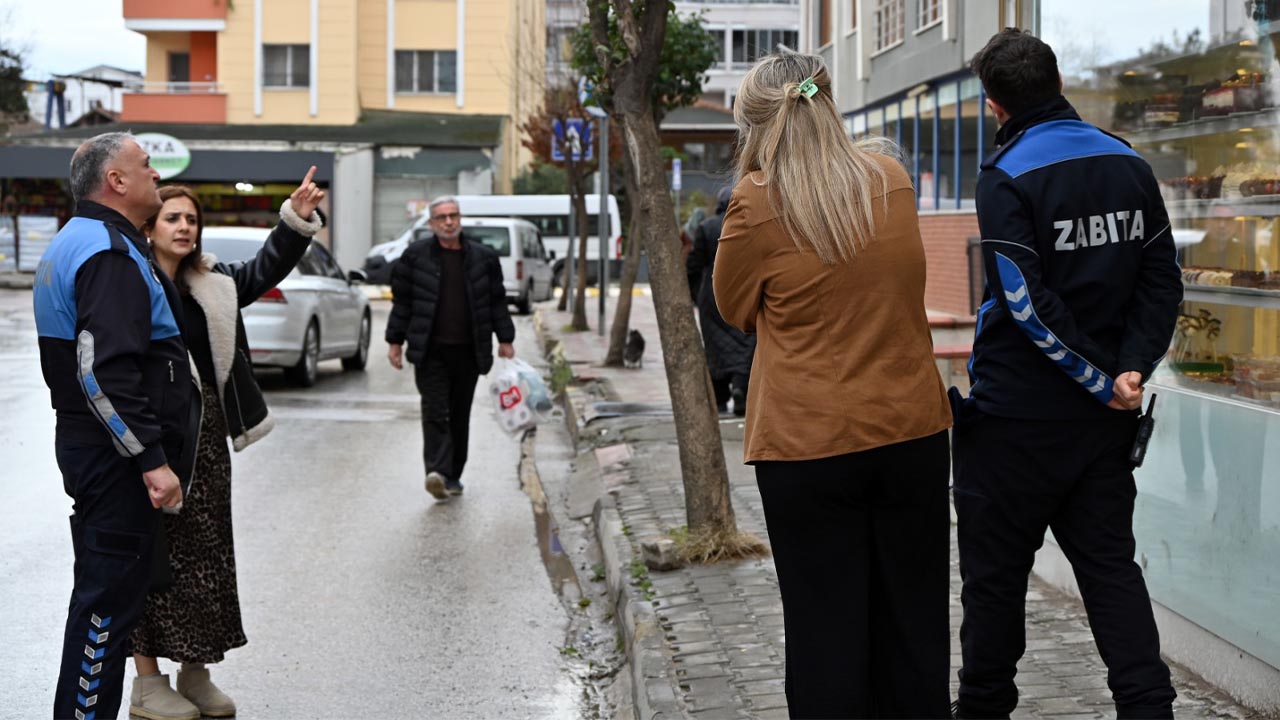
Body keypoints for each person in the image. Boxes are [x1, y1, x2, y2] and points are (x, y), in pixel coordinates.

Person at [713, 51, 953, 719]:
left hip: (807, 443)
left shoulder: (756, 200)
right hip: (909, 432)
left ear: (756, 123)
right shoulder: (892, 178)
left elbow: (732, 309)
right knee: (914, 624)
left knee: (825, 634)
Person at [953, 29, 1182, 720]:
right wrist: (1130, 371)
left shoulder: (1006, 175)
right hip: (1104, 419)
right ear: (1055, 81)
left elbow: (1023, 301)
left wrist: (1099, 377)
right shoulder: (1129, 165)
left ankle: (983, 711)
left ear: (994, 104)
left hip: (1016, 420)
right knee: (1112, 571)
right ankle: (1150, 708)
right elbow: (1161, 281)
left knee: (994, 583)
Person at [126, 175, 325, 719]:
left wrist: (295, 217)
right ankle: (147, 684)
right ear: (150, 225)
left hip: (206, 440)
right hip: (152, 441)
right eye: (173, 218)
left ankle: (195, 673)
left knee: (207, 557)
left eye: (191, 219)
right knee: (156, 559)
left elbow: (265, 268)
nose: (185, 226)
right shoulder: (131, 283)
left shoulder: (211, 283)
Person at [33, 132, 190, 720]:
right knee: (105, 609)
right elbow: (103, 372)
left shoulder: (82, 240)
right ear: (116, 182)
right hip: (114, 461)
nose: (155, 174)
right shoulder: (107, 252)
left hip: (94, 450)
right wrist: (150, 459)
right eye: (145, 166)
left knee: (105, 601)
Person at [386, 196, 515, 500]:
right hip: (430, 351)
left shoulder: (483, 258)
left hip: (468, 352)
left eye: (453, 215)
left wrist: (505, 338)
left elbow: (496, 301)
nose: (448, 222)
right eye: (442, 217)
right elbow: (402, 303)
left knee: (459, 414)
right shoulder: (415, 257)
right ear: (431, 224)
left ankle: (453, 474)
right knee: (434, 411)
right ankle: (437, 472)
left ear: (460, 219)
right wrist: (395, 341)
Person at [687, 187, 755, 416]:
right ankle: (739, 387)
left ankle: (719, 397)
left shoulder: (706, 228)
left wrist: (698, 295)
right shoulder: (750, 226)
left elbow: (693, 267)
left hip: (712, 298)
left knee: (715, 349)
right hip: (744, 295)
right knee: (745, 344)